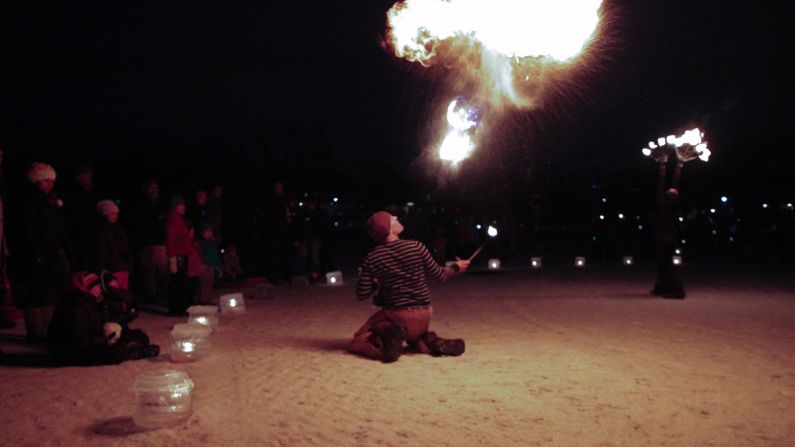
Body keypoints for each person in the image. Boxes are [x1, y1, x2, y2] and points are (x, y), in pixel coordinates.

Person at [351, 211, 470, 363]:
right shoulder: (417, 247)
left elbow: (361, 293)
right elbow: (440, 275)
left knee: (358, 340)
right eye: (393, 219)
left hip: (398, 315)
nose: (397, 218)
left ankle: (386, 339)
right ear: (388, 228)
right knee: (414, 340)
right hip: (424, 314)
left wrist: (375, 282)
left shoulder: (373, 257)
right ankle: (432, 342)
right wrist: (457, 267)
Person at [48, 271, 159, 366]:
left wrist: (117, 328)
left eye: (98, 284)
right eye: (94, 285)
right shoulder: (74, 306)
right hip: (71, 352)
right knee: (117, 352)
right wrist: (105, 341)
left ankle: (132, 347)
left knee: (139, 335)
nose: (98, 288)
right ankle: (129, 351)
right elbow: (77, 339)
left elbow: (106, 320)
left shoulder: (95, 300)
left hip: (94, 338)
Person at [15, 162, 73, 341]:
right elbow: (27, 229)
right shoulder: (30, 202)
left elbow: (59, 229)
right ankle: (35, 332)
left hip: (53, 252)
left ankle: (47, 330)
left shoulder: (52, 201)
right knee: (36, 292)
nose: (50, 183)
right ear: (36, 181)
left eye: (51, 180)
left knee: (49, 292)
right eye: (45, 180)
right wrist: (36, 252)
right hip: (38, 254)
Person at [132, 180, 169, 304]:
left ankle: (163, 295)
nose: (154, 190)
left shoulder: (162, 205)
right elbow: (139, 225)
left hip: (161, 244)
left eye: (156, 188)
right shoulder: (141, 206)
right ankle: (151, 296)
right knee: (149, 272)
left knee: (163, 271)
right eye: (151, 188)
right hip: (147, 244)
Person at [95, 199, 133, 291]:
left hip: (123, 266)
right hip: (112, 268)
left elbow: (126, 248)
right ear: (105, 214)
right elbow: (102, 251)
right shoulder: (103, 231)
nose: (115, 216)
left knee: (123, 291)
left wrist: (129, 264)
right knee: (115, 292)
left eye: (116, 213)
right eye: (112, 213)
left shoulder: (119, 230)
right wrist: (102, 270)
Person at [166, 195, 193, 315]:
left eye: (183, 205)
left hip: (181, 254)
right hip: (179, 255)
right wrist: (172, 256)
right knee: (178, 282)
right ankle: (178, 308)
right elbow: (171, 238)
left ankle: (178, 307)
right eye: (179, 205)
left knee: (180, 281)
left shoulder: (179, 218)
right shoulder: (174, 219)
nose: (183, 207)